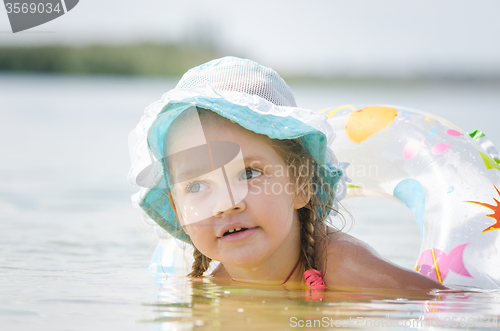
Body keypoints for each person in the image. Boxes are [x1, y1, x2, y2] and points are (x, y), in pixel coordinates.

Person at [129, 56, 446, 293]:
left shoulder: (343, 267)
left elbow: (444, 306)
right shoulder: (213, 285)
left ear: (300, 183)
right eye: (197, 185)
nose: (226, 204)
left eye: (250, 173)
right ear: (178, 210)